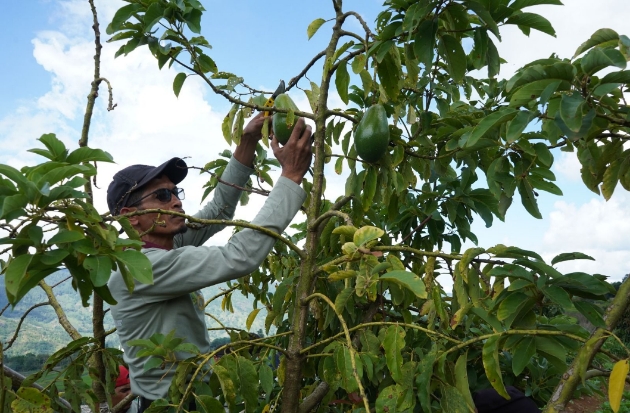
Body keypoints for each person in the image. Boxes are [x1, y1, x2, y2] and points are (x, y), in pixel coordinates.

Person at [106, 113, 313, 411]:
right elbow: (238, 257)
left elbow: (219, 208)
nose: (176, 201)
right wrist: (291, 176)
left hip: (192, 394)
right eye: (163, 195)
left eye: (175, 193)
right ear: (130, 216)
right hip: (173, 404)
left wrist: (247, 140)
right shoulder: (140, 267)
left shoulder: (165, 246)